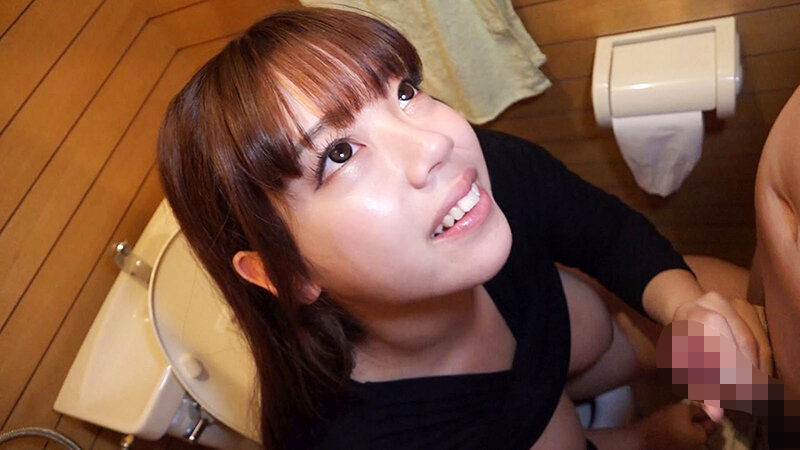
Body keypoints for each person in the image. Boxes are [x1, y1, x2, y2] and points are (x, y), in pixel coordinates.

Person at [156, 7, 767, 449]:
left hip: (584, 349)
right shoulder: (356, 436)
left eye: (404, 91)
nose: (434, 144)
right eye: (338, 154)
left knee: (747, 315)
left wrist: (685, 307)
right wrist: (647, 439)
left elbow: (605, 234)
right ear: (286, 273)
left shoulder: (483, 174)